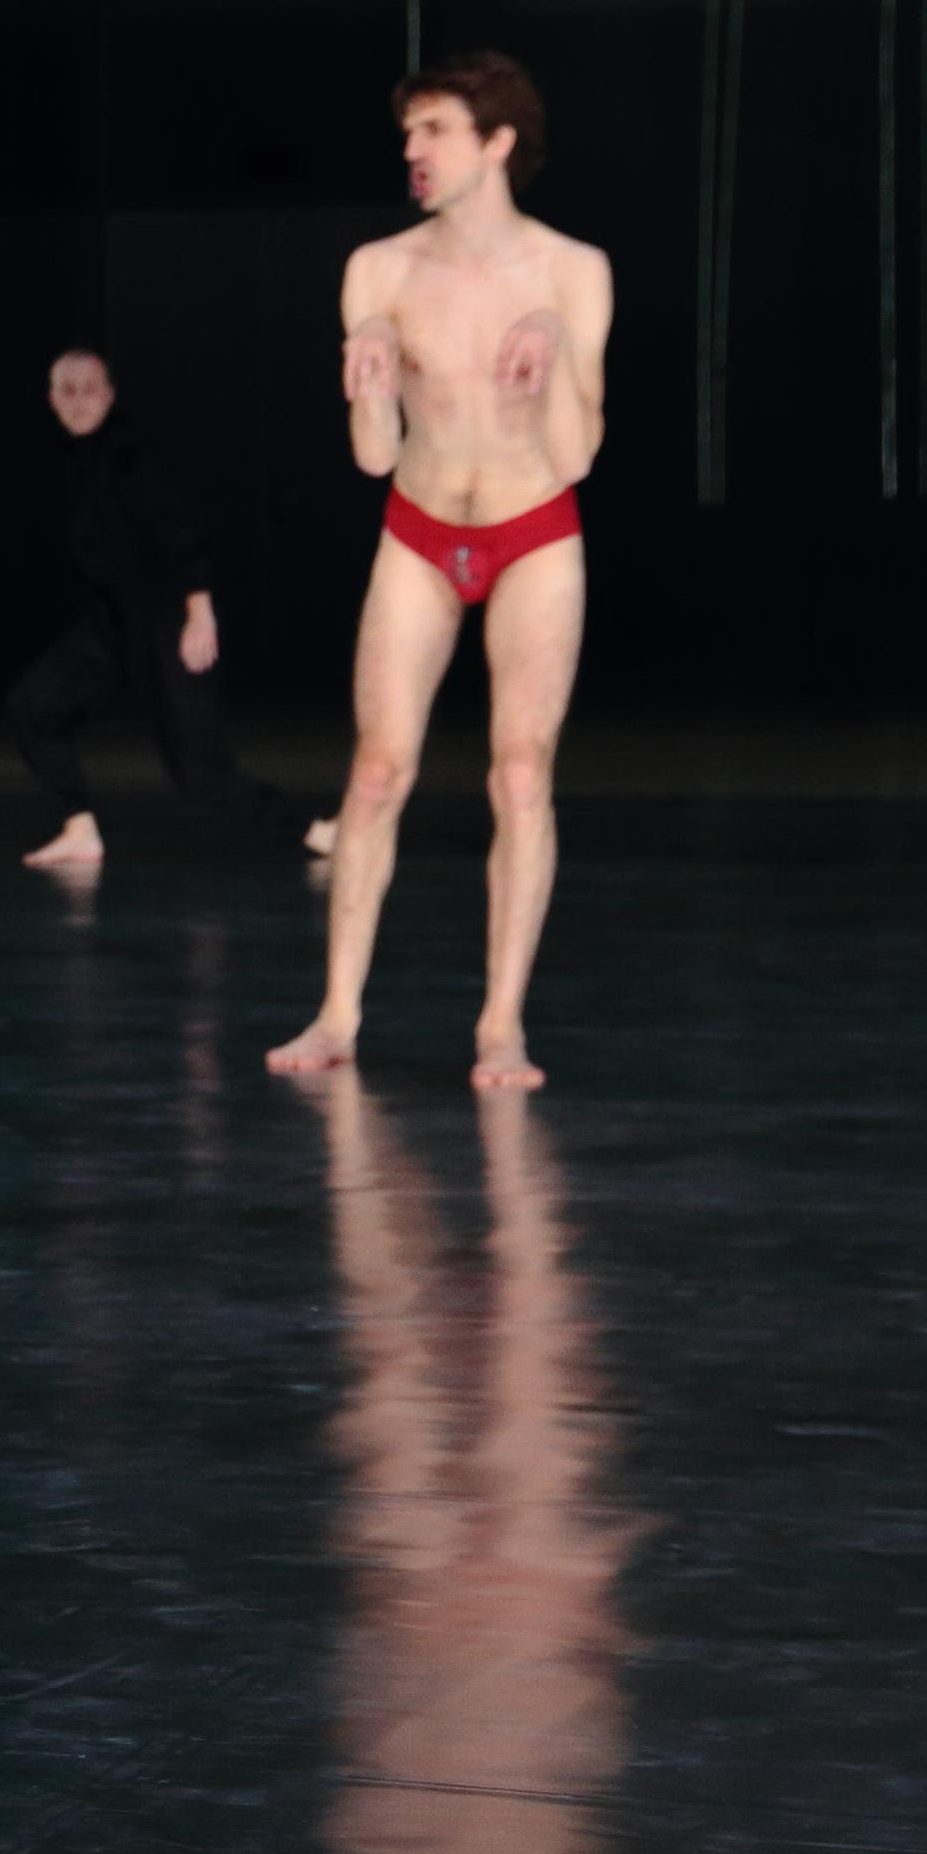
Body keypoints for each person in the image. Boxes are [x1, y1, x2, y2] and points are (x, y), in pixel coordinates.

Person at [267, 54, 610, 1092]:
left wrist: (549, 349)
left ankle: (500, 1023)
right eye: (409, 131)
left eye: (436, 131)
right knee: (375, 773)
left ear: (497, 141)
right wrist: (368, 376)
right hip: (419, 523)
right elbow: (374, 454)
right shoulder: (380, 268)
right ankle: (336, 1014)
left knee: (519, 772)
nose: (413, 151)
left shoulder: (569, 269)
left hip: (533, 525)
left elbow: (578, 452)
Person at [8, 346, 325, 868]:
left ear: (109, 395)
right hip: (111, 627)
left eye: (90, 390)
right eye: (68, 391)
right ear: (52, 400)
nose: (80, 402)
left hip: (164, 621)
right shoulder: (74, 461)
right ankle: (80, 828)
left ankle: (315, 833)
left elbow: (180, 532)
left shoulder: (129, 455)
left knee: (203, 779)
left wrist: (199, 612)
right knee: (32, 705)